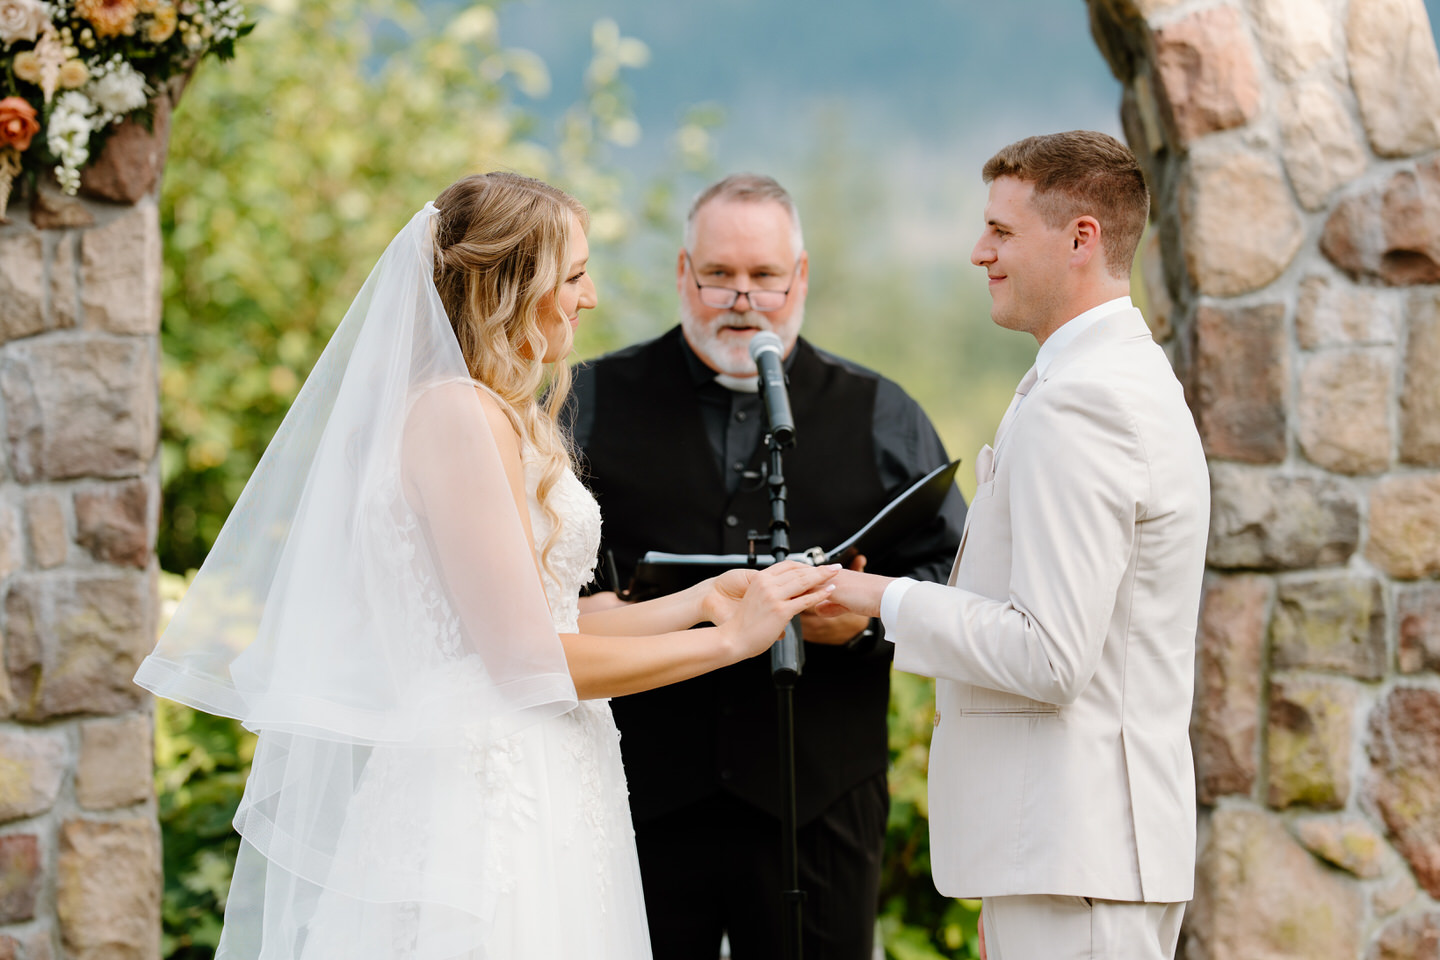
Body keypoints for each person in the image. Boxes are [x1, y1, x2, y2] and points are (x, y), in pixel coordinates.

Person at [134, 172, 841, 960]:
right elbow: (524, 660)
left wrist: (706, 599)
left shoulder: (490, 412)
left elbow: (546, 621)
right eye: (573, 276)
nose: (591, 297)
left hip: (544, 772)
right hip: (482, 798)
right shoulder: (455, 416)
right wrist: (728, 643)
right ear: (512, 287)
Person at [820, 131, 1210, 960]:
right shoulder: (1106, 377)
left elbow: (1050, 655)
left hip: (1080, 859)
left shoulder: (1086, 401)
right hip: (1067, 857)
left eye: (1000, 231)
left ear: (1080, 239)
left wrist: (878, 601)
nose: (977, 252)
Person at [569, 173, 966, 960]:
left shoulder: (881, 411)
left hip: (819, 804)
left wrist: (864, 622)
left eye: (764, 277)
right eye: (719, 275)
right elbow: (537, 583)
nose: (741, 298)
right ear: (684, 275)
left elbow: (953, 577)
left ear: (801, 278)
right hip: (632, 796)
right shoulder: (589, 399)